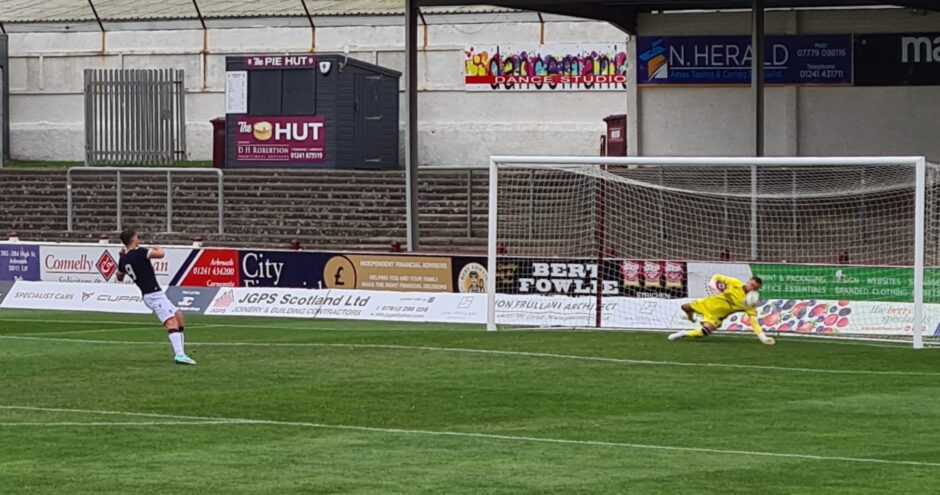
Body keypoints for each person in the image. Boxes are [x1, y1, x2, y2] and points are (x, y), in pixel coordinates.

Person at [116, 228, 197, 365]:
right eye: (137, 237)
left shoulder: (124, 259)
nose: (138, 239)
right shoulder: (140, 252)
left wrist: (122, 258)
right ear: (133, 239)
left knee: (178, 316)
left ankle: (181, 351)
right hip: (153, 295)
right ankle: (180, 355)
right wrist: (157, 247)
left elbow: (119, 277)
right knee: (171, 322)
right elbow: (160, 254)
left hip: (154, 293)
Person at [668, 274, 775, 346]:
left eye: (755, 288)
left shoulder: (750, 303)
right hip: (706, 304)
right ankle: (690, 318)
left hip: (715, 317)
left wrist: (762, 337)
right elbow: (718, 276)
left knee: (705, 332)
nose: (752, 288)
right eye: (752, 285)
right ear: (748, 281)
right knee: (684, 307)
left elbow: (753, 321)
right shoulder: (735, 283)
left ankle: (683, 333)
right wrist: (712, 282)